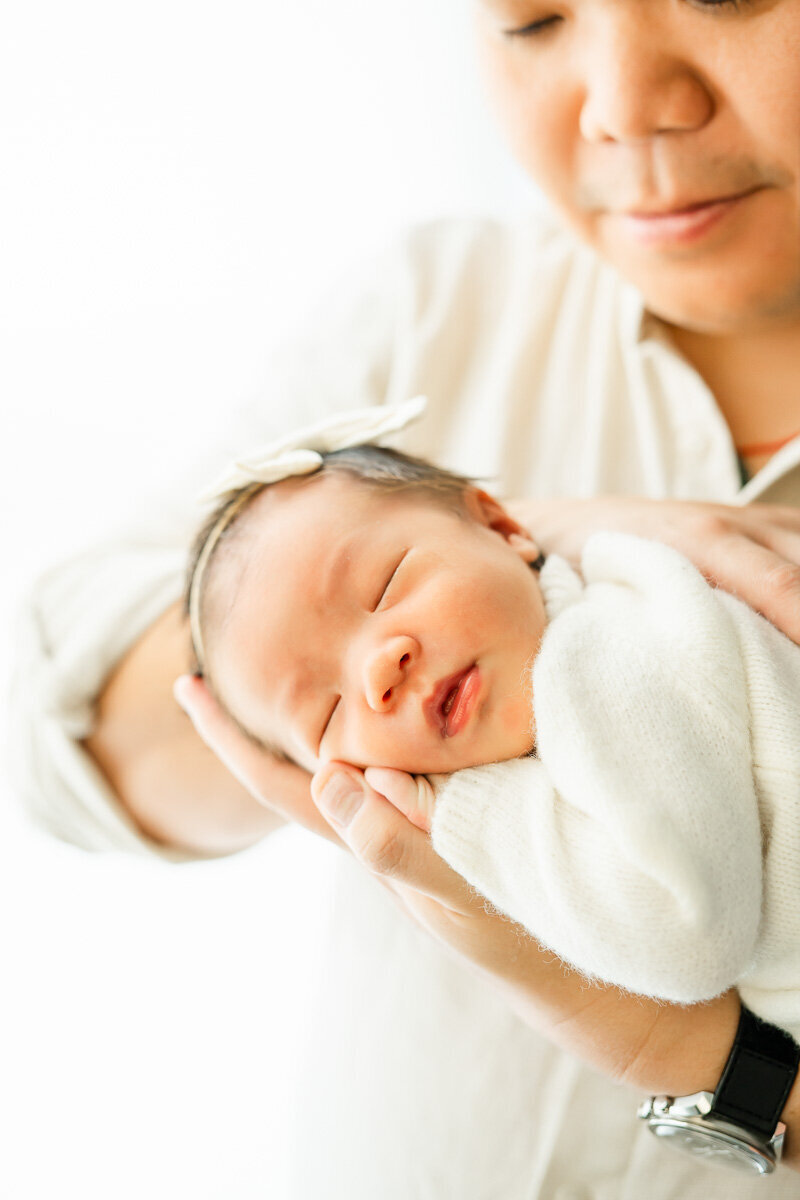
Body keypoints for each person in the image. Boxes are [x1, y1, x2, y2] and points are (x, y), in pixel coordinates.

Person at [14, 0, 800, 1193]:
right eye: (532, 19)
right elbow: (49, 734)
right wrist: (558, 530)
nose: (625, 106)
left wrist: (693, 1058)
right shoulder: (439, 312)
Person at [183, 400, 800, 1042]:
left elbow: (686, 934)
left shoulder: (602, 654)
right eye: (326, 712)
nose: (377, 672)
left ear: (504, 527)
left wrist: (461, 815)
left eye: (387, 585)